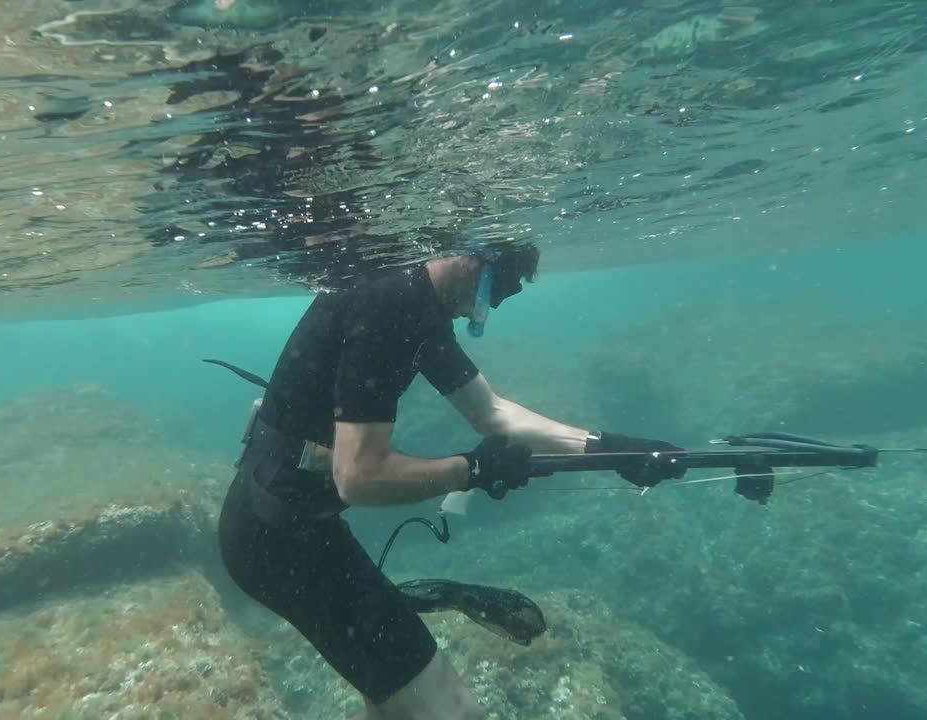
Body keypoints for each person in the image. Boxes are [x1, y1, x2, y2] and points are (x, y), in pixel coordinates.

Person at [215, 241, 686, 719]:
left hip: (284, 529)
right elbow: (358, 476)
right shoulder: (389, 302)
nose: (499, 302)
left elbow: (493, 413)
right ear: (474, 258)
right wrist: (472, 470)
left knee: (398, 706)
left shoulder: (419, 309)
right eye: (504, 285)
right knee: (452, 710)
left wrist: (609, 448)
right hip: (279, 540)